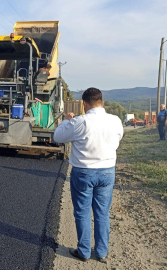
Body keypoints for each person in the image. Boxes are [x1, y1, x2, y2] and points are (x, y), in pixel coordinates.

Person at [53, 88, 124, 263]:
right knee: (102, 213)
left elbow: (57, 137)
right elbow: (118, 138)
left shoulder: (80, 122)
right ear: (102, 102)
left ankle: (83, 251)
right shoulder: (115, 121)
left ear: (84, 104)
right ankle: (101, 252)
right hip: (107, 171)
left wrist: (66, 121)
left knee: (82, 212)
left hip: (83, 172)